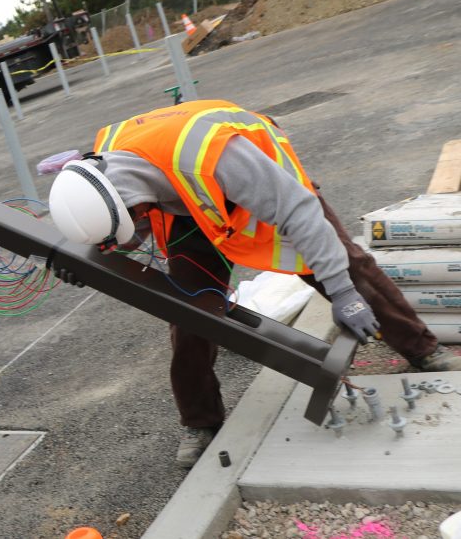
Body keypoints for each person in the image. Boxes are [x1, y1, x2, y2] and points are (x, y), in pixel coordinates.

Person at [48, 98, 461, 468]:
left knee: (348, 266)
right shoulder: (106, 172)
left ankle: (421, 348)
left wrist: (343, 293)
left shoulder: (216, 157)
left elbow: (300, 213)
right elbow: (113, 219)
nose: (137, 235)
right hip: (189, 206)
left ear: (133, 198)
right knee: (190, 313)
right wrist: (86, 257)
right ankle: (200, 422)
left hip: (266, 189)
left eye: (135, 221)